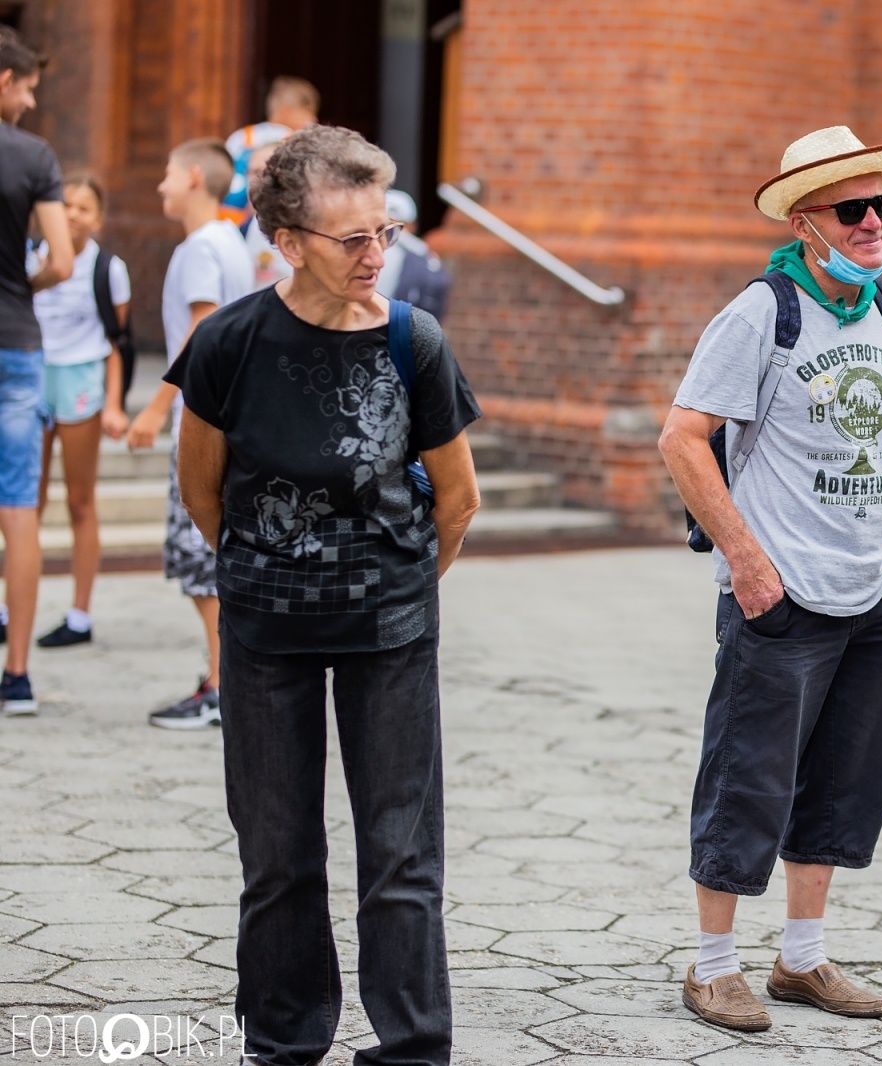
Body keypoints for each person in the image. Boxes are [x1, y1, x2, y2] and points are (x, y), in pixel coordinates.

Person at [168, 124, 480, 1065]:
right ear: (288, 243)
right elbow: (201, 491)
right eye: (353, 239)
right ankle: (283, 1041)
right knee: (276, 857)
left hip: (390, 627)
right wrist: (274, 568)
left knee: (400, 856)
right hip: (265, 631)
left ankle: (412, 1046)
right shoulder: (227, 344)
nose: (377, 254)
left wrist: (395, 590)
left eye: (383, 231)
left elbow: (457, 500)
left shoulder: (411, 341)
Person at [659, 125, 882, 1032]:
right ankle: (712, 966)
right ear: (807, 222)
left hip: (868, 587)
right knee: (748, 776)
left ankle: (802, 959)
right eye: (854, 209)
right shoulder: (763, 311)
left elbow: (880, 430)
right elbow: (683, 437)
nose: (875, 220)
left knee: (846, 777)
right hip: (781, 588)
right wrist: (745, 557)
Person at [129, 139, 252, 728]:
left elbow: (199, 336)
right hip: (231, 418)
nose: (161, 187)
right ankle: (225, 680)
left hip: (202, 425)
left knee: (200, 562)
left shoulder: (203, 248)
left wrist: (154, 408)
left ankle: (223, 687)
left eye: (168, 175)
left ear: (195, 177)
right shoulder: (230, 241)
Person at [0, 28, 73, 714]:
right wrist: (24, 287)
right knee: (19, 507)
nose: (28, 101)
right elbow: (63, 258)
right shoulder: (33, 156)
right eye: (25, 88)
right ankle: (16, 675)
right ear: (2, 81)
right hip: (15, 345)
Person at [32, 175, 131, 647]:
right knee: (23, 502)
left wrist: (114, 404)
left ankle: (79, 615)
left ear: (98, 218)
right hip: (32, 378)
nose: (72, 214)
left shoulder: (107, 268)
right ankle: (11, 607)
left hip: (80, 380)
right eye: (64, 204)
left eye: (84, 207)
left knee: (80, 500)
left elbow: (117, 342)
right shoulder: (30, 256)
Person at [221, 75, 319, 226]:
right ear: (286, 111)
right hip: (268, 220)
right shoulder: (293, 141)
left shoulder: (242, 136)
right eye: (308, 113)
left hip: (229, 217)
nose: (313, 120)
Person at [375, 189, 451, 320]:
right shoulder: (423, 255)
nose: (394, 234)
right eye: (387, 226)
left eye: (400, 226)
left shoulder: (421, 256)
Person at [242, 142, 291, 290]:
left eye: (265, 172)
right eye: (252, 172)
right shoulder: (238, 232)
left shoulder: (306, 230)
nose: (256, 181)